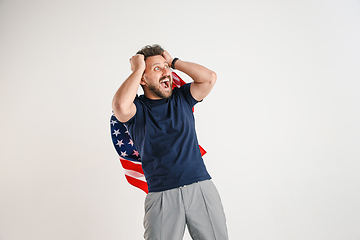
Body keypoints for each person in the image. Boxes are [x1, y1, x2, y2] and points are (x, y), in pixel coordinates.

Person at [112, 44, 228, 240]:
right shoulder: (137, 110)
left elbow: (209, 78)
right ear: (142, 78)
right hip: (161, 195)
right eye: (157, 68)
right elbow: (120, 105)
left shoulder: (182, 97)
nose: (166, 72)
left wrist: (174, 61)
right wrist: (138, 68)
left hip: (200, 187)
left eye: (166, 67)